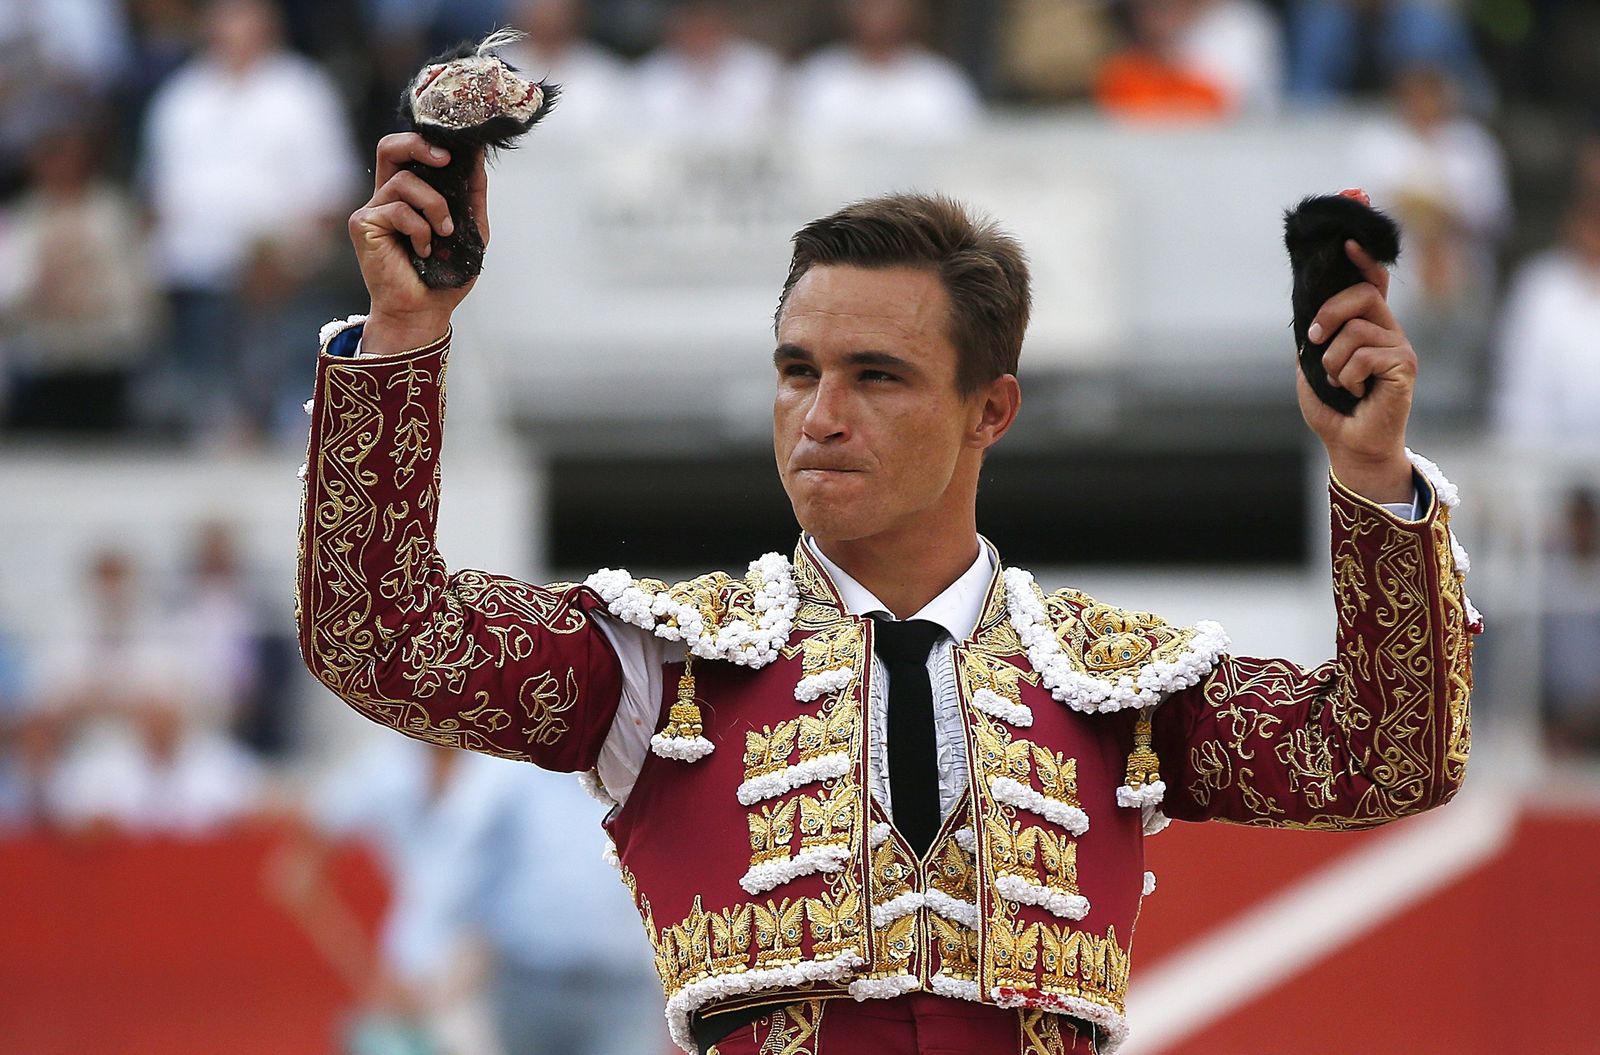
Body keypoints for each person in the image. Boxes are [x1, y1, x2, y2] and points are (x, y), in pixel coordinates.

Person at [296, 134, 1476, 1054]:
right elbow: (377, 632)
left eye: (877, 376)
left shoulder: (1115, 681)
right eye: (797, 370)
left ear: (989, 410)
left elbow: (1391, 752)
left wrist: (1368, 475)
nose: (821, 414)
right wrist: (405, 334)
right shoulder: (666, 662)